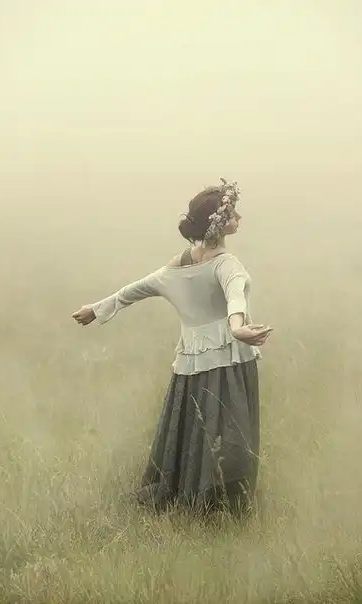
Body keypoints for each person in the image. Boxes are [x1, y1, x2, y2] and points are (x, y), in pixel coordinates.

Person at [72, 178, 272, 517]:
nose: (239, 217)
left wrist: (97, 309)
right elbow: (234, 296)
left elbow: (137, 288)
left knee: (191, 427)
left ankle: (188, 496)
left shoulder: (180, 264)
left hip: (190, 363)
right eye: (233, 213)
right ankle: (221, 506)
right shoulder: (227, 263)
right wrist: (237, 328)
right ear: (218, 223)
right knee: (229, 430)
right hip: (229, 358)